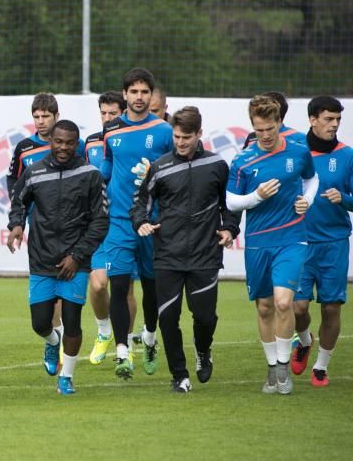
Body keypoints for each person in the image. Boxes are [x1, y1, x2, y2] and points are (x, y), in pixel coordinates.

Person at [130, 107, 239, 392]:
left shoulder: (217, 165)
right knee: (167, 317)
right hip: (167, 255)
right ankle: (179, 375)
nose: (180, 142)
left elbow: (229, 205)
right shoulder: (160, 167)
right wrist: (141, 222)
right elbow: (140, 203)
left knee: (204, 317)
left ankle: (203, 351)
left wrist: (229, 229)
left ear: (199, 134)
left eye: (186, 137)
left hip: (205, 254)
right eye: (177, 136)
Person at [6, 120, 108, 395]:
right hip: (41, 258)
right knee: (40, 323)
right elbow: (19, 202)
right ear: (50, 140)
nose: (63, 147)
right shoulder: (34, 172)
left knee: (73, 321)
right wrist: (16, 225)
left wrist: (77, 256)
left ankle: (67, 376)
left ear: (77, 144)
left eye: (69, 143)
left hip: (76, 262)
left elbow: (100, 221)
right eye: (58, 141)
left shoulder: (90, 175)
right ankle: (52, 341)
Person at [226, 95, 317, 395]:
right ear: (253, 126)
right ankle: (270, 370)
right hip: (257, 243)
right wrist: (257, 197)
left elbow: (312, 180)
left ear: (280, 123)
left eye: (270, 128)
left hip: (292, 238)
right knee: (264, 307)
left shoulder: (299, 152)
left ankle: (282, 369)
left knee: (282, 302)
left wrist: (307, 200)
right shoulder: (242, 161)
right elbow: (230, 201)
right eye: (259, 129)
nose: (265, 135)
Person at [100, 68, 173, 379]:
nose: (139, 97)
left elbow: (175, 172)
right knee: (118, 284)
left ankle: (150, 336)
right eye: (134, 92)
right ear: (125, 94)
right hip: (119, 219)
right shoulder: (111, 130)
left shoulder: (163, 131)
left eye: (145, 92)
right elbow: (107, 167)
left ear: (151, 96)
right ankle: (122, 351)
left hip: (152, 221)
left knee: (152, 287)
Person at [292, 96, 352, 387]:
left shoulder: (347, 155)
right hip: (300, 242)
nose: (334, 124)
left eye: (337, 120)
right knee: (298, 308)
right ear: (313, 119)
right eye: (329, 119)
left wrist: (345, 199)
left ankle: (321, 366)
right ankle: (304, 341)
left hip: (335, 242)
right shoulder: (295, 152)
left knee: (331, 308)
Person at [84, 91, 139, 365]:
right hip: (96, 223)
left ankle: (124, 347)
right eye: (103, 114)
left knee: (125, 289)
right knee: (97, 284)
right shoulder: (91, 142)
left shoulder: (131, 140)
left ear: (123, 113)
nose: (107, 119)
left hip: (123, 220)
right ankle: (104, 331)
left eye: (112, 114)